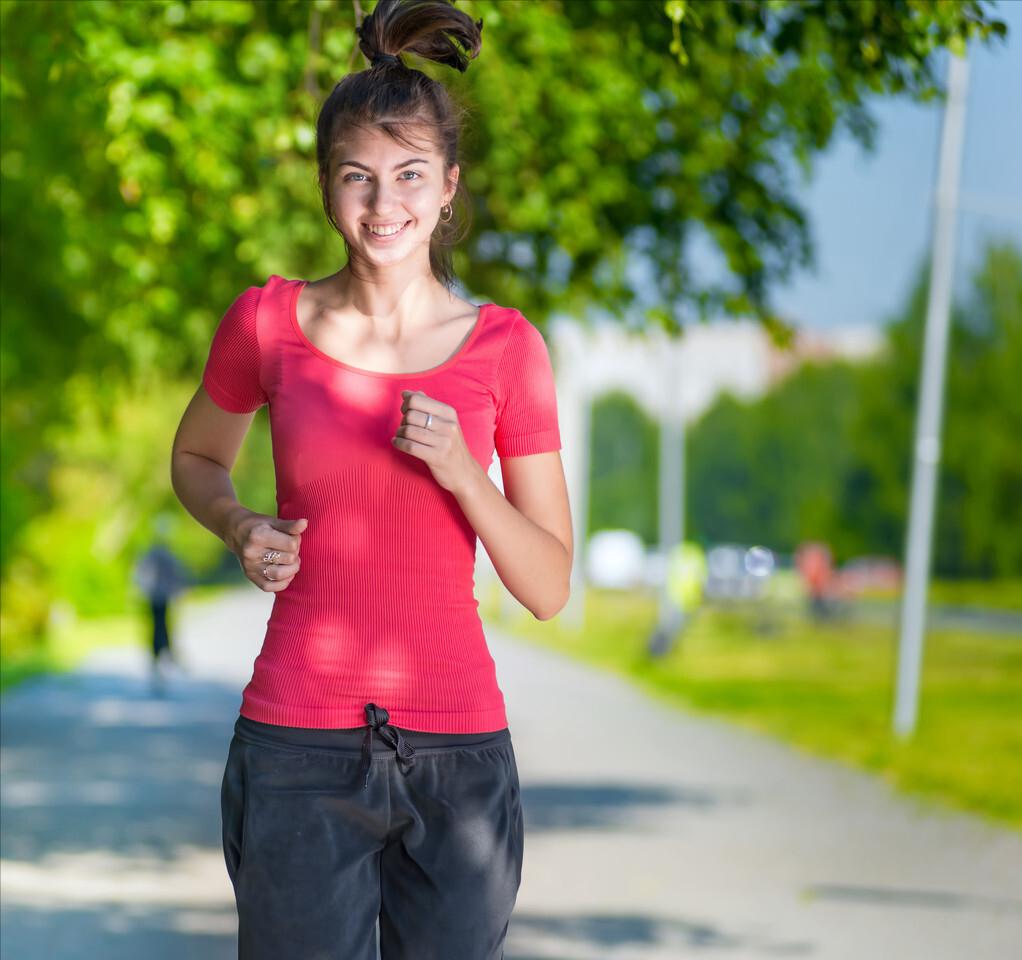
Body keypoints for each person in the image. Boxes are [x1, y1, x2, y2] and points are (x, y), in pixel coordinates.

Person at [170, 2, 573, 957]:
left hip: (458, 756)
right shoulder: (267, 323)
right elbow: (196, 458)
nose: (383, 204)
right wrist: (237, 524)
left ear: (447, 188)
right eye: (357, 176)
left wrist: (465, 477)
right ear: (325, 188)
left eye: (408, 176)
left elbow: (549, 587)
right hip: (296, 743)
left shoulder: (506, 349)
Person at [131, 514, 190, 695]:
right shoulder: (159, 554)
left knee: (161, 628)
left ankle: (162, 659)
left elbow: (174, 575)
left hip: (159, 597)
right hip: (157, 597)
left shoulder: (155, 554)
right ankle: (162, 659)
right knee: (160, 628)